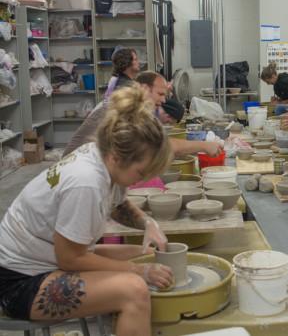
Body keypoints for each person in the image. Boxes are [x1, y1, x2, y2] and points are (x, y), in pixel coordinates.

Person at [0, 86, 173, 334]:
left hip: (46, 258)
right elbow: (70, 259)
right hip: (20, 281)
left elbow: (118, 205)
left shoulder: (100, 155)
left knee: (145, 254)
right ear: (116, 157)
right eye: (140, 173)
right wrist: (139, 272)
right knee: (134, 291)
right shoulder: (86, 182)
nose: (140, 180)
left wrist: (148, 224)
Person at [64, 71, 222, 158]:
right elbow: (160, 145)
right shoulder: (125, 109)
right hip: (78, 170)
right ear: (145, 89)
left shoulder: (134, 106)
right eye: (160, 94)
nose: (162, 101)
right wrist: (204, 145)